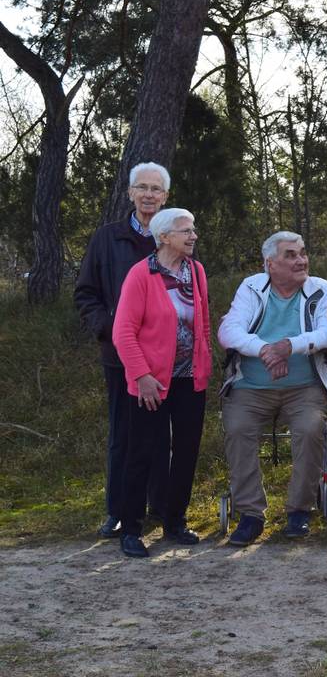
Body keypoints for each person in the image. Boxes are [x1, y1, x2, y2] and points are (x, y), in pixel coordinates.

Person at [217, 231, 327, 546]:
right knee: (238, 426)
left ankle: (300, 510)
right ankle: (250, 514)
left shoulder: (321, 290)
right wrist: (266, 352)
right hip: (251, 387)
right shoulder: (252, 287)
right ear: (269, 264)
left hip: (305, 387)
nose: (301, 260)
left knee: (311, 427)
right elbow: (228, 331)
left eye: (302, 252)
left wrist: (290, 346)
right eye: (290, 255)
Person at [74, 162, 173, 537]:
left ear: (165, 197)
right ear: (129, 193)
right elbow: (85, 293)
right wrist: (106, 328)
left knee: (162, 434)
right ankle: (117, 511)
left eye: (156, 189)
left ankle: (160, 507)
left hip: (166, 358)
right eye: (142, 187)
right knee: (123, 434)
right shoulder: (106, 238)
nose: (149, 195)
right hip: (120, 356)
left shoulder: (174, 235)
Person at [111, 207, 211, 558]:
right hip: (152, 381)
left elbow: (203, 323)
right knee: (142, 453)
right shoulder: (141, 274)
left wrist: (204, 363)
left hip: (189, 379)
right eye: (186, 230)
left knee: (186, 452)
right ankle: (132, 528)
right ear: (164, 236)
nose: (193, 236)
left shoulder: (195, 271)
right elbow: (123, 332)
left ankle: (174, 521)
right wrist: (142, 376)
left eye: (193, 230)